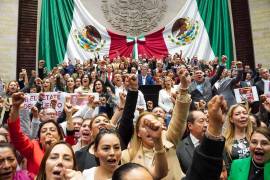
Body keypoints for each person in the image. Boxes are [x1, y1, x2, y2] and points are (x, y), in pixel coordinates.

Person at [121, 69, 191, 179]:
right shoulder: (127, 156)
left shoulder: (168, 141)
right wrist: (133, 90)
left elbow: (179, 119)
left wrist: (184, 89)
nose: (151, 129)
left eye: (153, 124)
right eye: (145, 125)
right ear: (138, 133)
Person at [7, 92, 76, 175]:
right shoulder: (33, 147)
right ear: (39, 138)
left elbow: (71, 136)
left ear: (60, 136)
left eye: (52, 130)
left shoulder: (65, 147)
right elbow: (16, 135)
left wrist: (69, 114)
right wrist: (15, 107)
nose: (48, 132)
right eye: (43, 131)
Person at [184, 95, 228, 180]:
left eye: (207, 121)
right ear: (190, 125)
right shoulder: (180, 149)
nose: (206, 124)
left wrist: (216, 124)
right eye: (201, 121)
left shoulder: (221, 142)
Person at [224, 104, 253, 170]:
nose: (242, 116)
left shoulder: (254, 136)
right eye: (237, 114)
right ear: (231, 119)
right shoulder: (225, 142)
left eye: (245, 113)